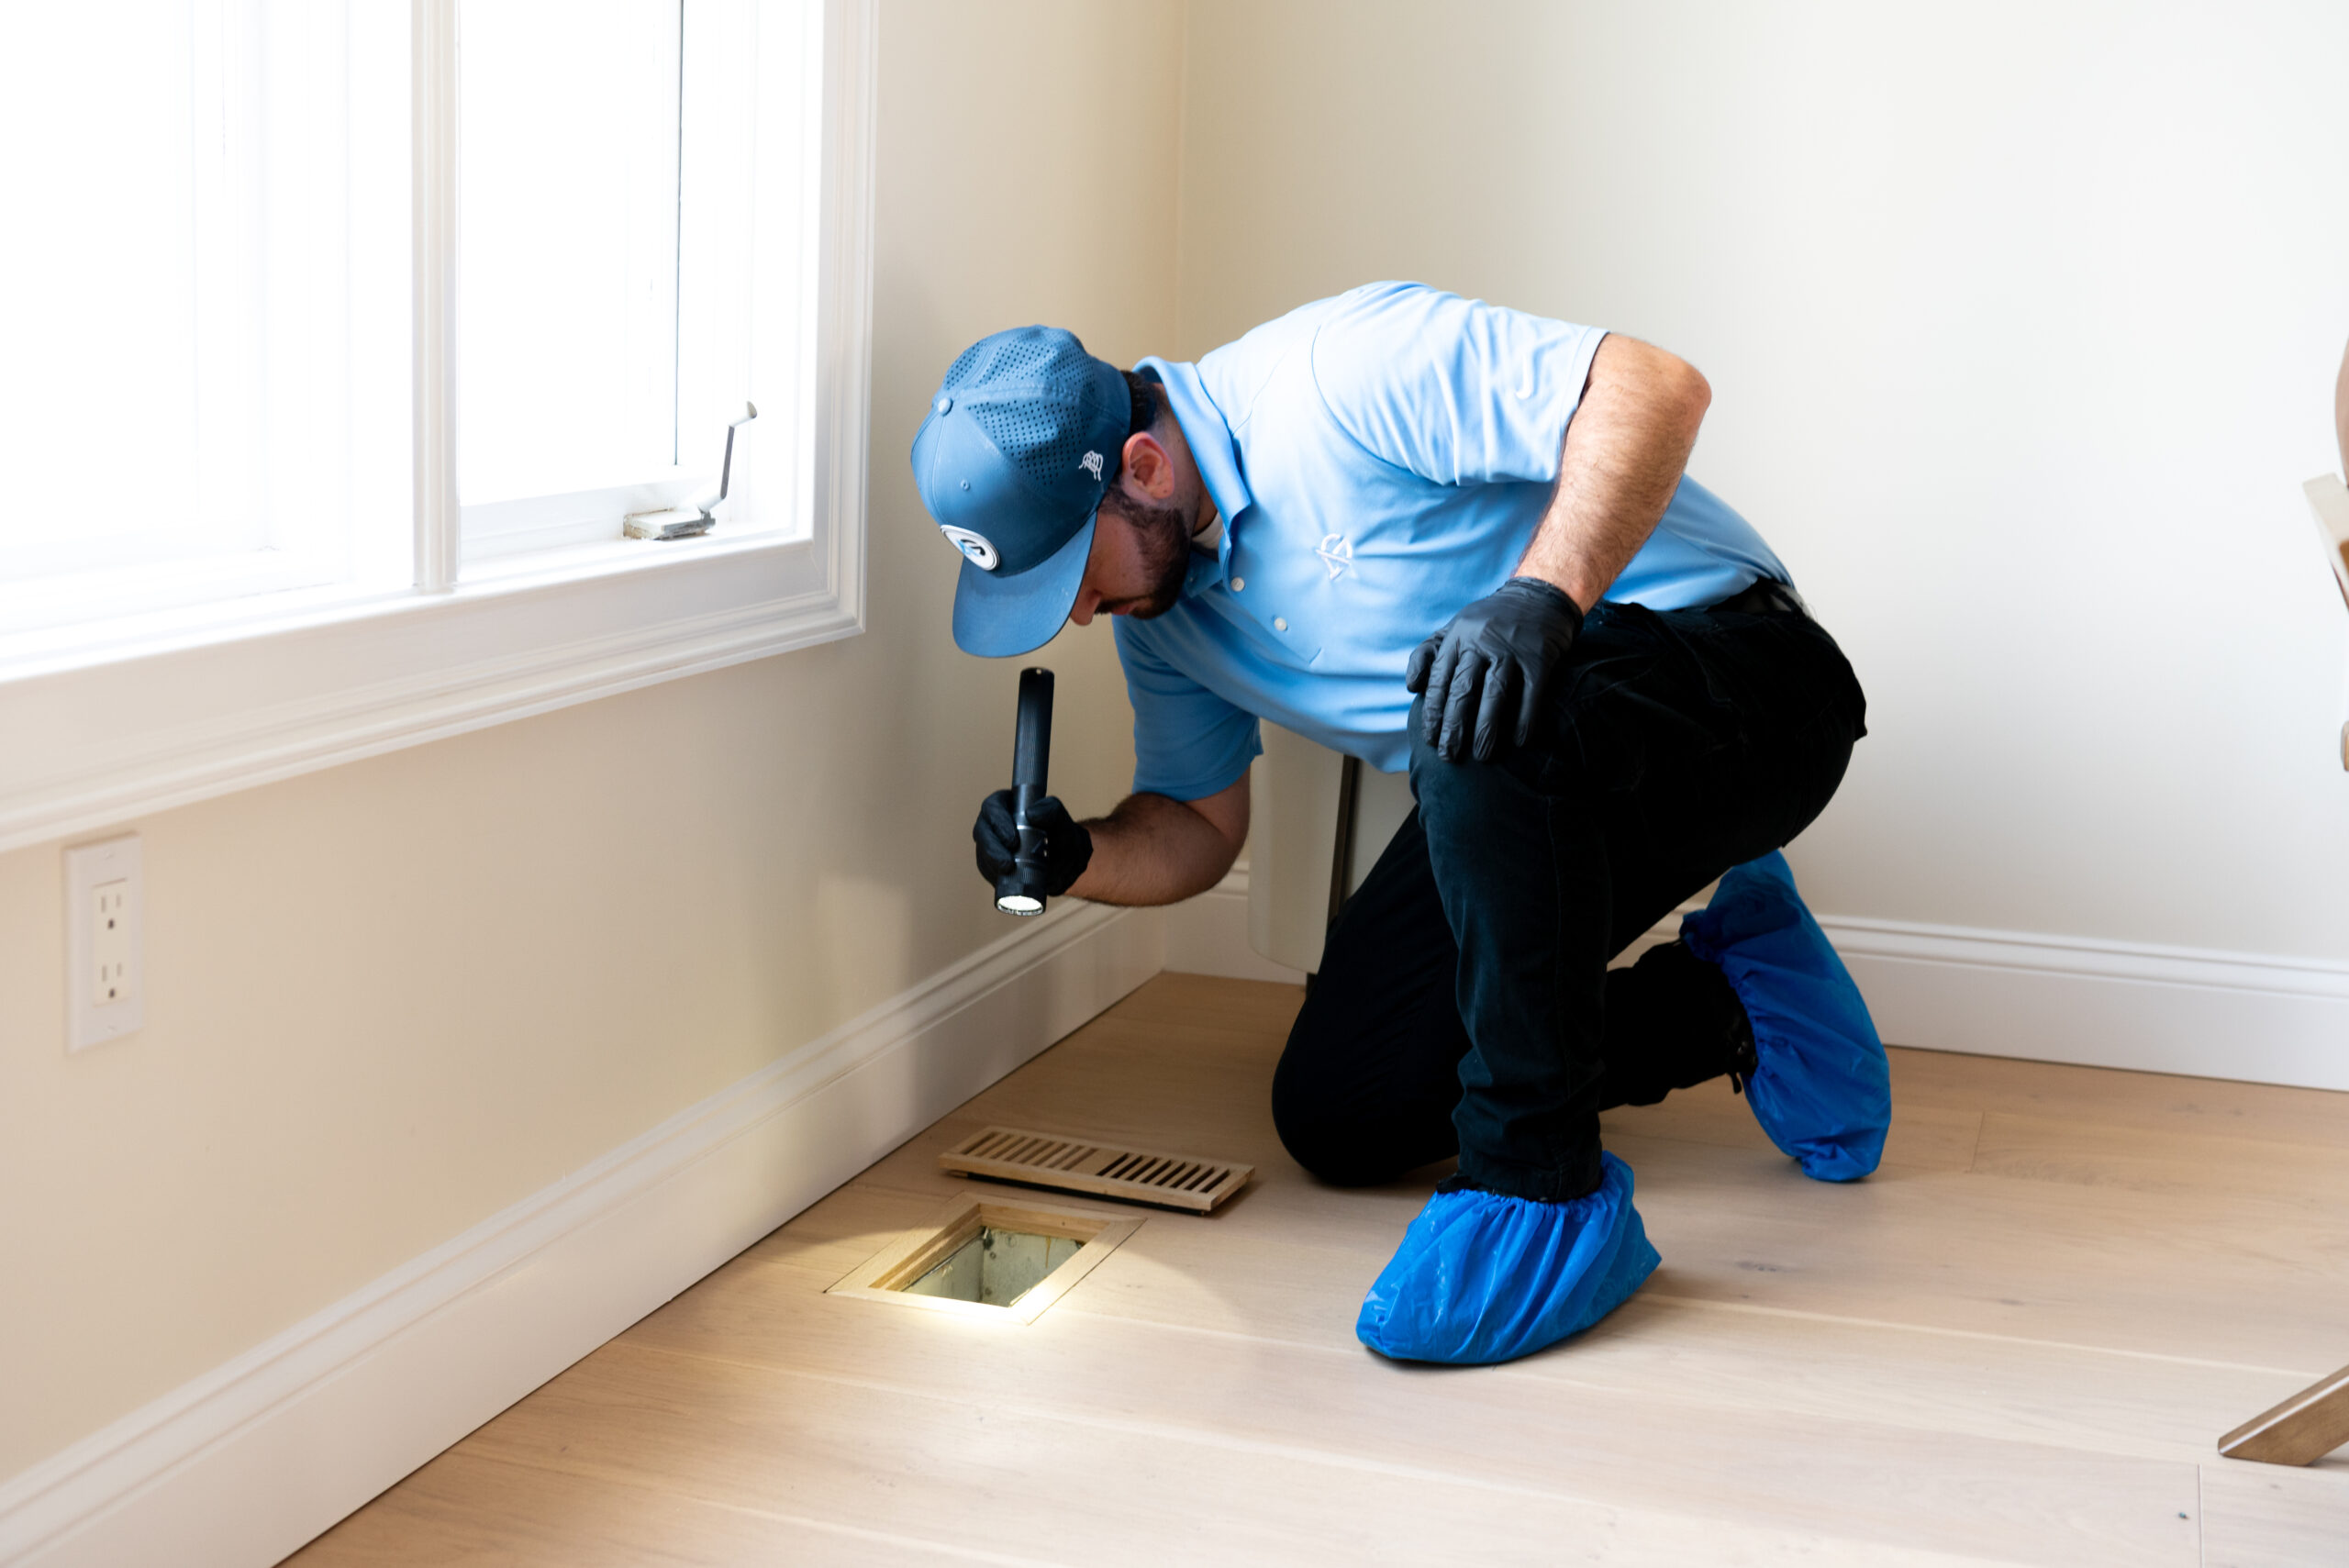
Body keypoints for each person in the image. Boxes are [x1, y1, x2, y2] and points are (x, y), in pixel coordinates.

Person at [910, 283, 1888, 1365]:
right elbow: (1197, 823)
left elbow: (1657, 386)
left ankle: (1540, 1193)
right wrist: (1079, 853)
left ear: (1141, 468)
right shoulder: (1168, 624)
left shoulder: (1335, 371)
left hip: (1750, 692)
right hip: (1509, 783)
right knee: (1343, 1108)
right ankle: (1729, 1000)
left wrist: (1542, 597)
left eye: (1072, 575)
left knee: (1474, 707)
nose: (1081, 614)